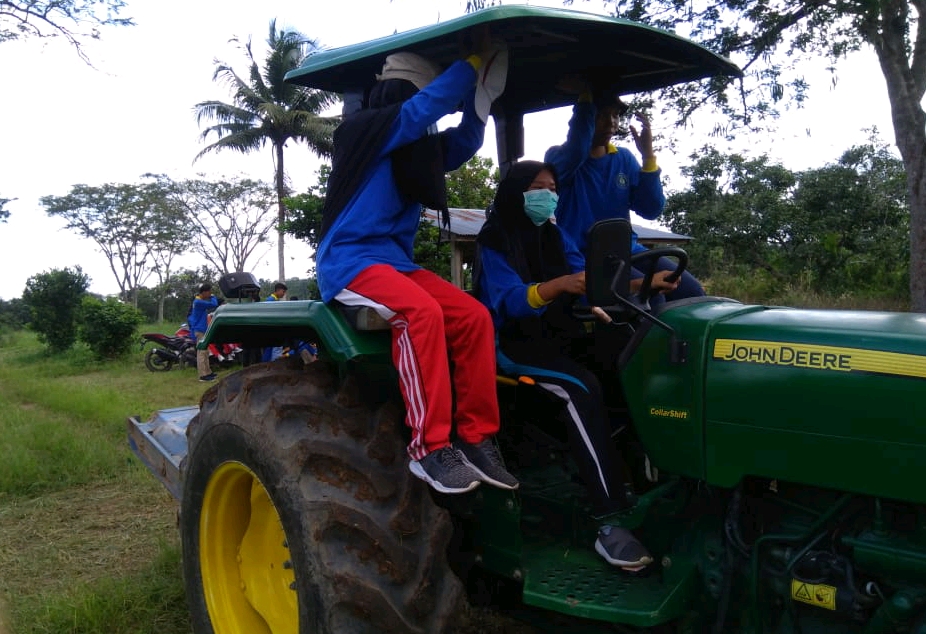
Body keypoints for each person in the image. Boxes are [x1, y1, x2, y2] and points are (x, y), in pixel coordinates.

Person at [313, 39, 518, 495]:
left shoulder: (411, 148)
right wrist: (471, 65)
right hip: (349, 260)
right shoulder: (362, 131)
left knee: (473, 317)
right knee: (421, 313)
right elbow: (419, 110)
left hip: (395, 264)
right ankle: (430, 448)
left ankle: (478, 436)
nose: (417, 105)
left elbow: (462, 142)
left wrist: (479, 105)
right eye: (410, 92)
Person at [474, 160, 658, 571]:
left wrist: (640, 284)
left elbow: (586, 277)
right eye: (538, 187)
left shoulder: (554, 234)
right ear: (516, 192)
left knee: (629, 363)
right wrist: (557, 286)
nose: (548, 194)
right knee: (580, 387)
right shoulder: (494, 240)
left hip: (560, 337)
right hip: (515, 346)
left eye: (553, 187)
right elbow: (508, 300)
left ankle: (647, 477)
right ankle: (609, 520)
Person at [544, 89, 705, 304]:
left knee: (691, 291)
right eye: (601, 115)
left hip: (628, 251)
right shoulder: (559, 158)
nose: (611, 123)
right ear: (585, 118)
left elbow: (650, 209)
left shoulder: (624, 158)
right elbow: (577, 149)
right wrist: (585, 98)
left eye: (615, 115)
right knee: (650, 298)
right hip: (584, 257)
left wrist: (648, 156)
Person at [188, 283, 218, 382]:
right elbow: (214, 304)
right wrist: (213, 297)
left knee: (205, 352)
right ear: (204, 292)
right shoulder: (198, 302)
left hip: (202, 329)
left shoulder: (199, 301)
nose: (210, 294)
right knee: (201, 352)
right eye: (209, 292)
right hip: (200, 329)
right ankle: (203, 375)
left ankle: (208, 372)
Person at [261, 282, 288, 362]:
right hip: (271, 331)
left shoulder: (274, 300)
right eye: (283, 292)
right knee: (270, 352)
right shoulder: (271, 300)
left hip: (271, 331)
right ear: (278, 290)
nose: (283, 294)